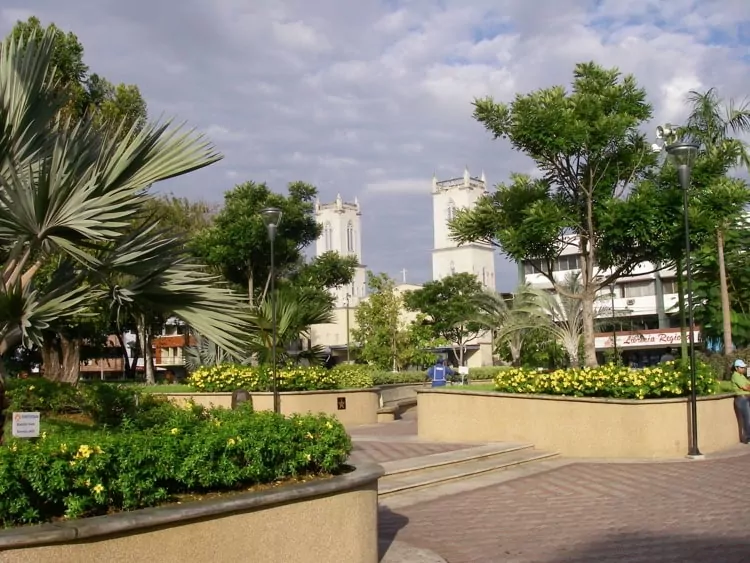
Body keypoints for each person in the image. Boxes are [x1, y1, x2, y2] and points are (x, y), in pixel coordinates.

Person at [731, 359, 750, 444]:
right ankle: (747, 438)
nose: (743, 369)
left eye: (744, 367)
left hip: (747, 398)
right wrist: (747, 386)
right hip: (741, 399)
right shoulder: (735, 376)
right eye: (741, 367)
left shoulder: (742, 376)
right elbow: (745, 387)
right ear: (736, 368)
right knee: (747, 418)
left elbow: (748, 385)